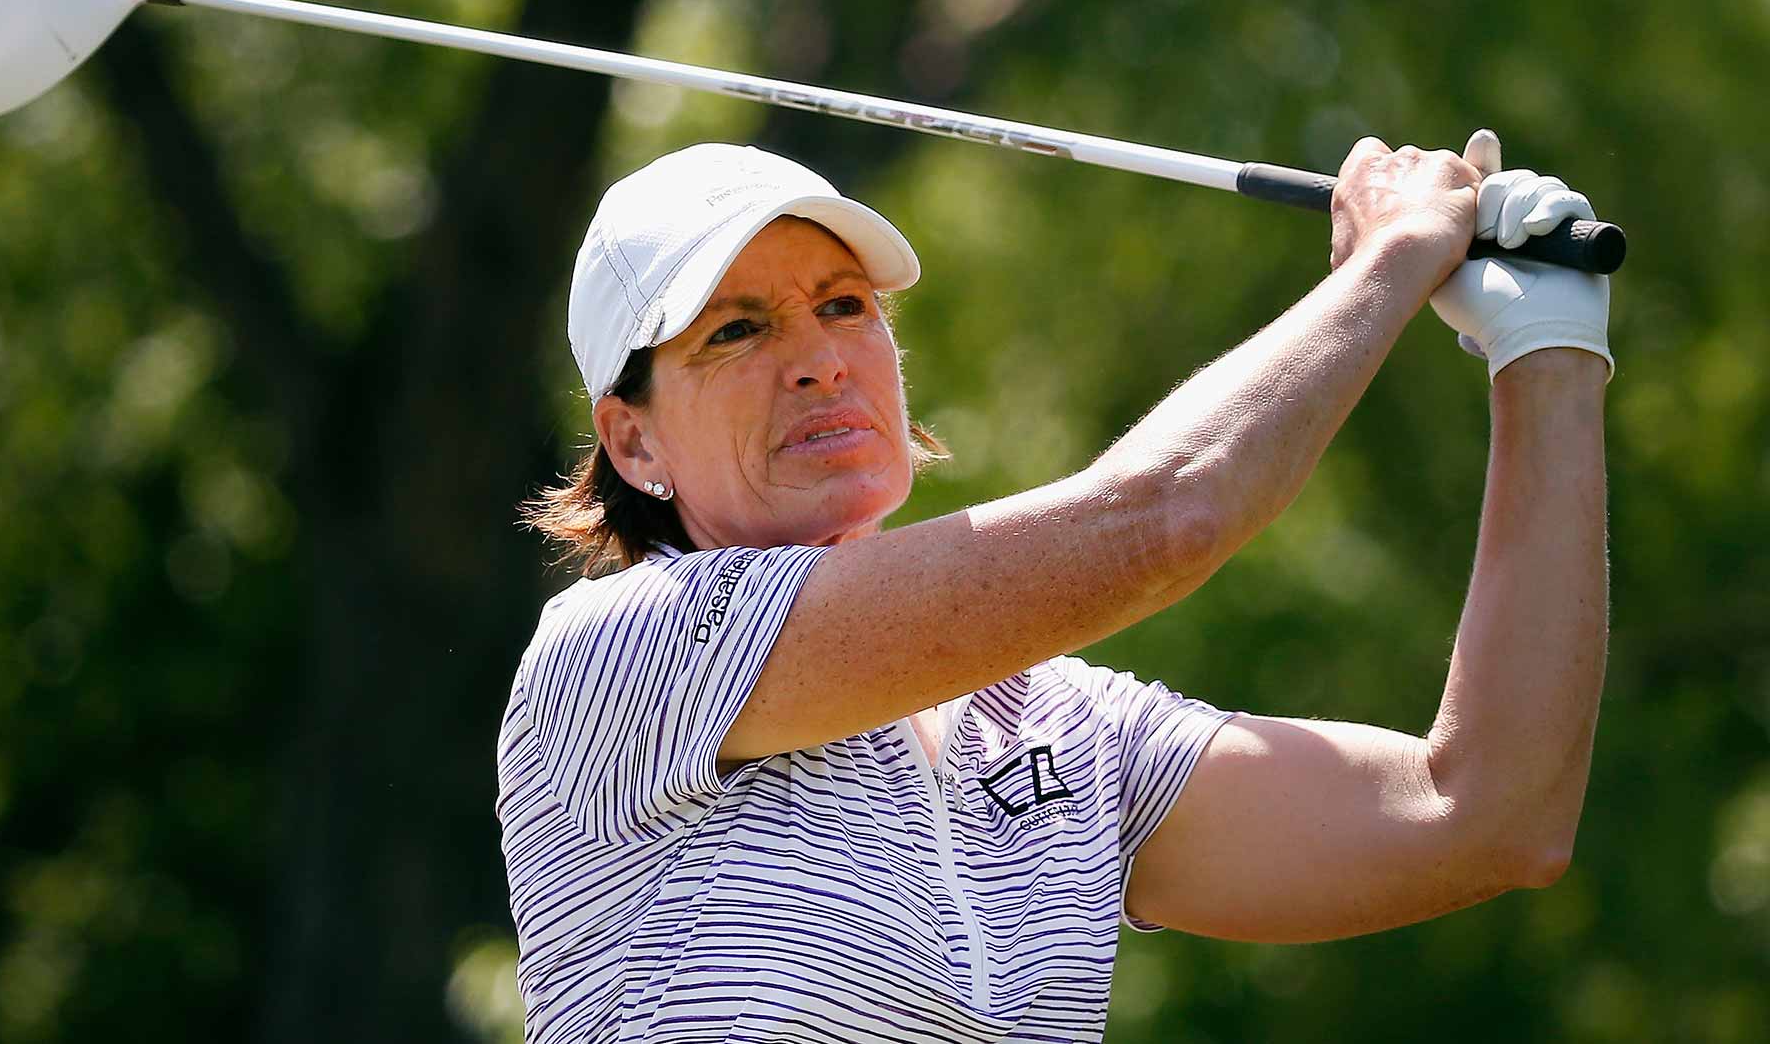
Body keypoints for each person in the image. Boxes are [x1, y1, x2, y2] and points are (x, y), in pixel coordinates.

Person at [497, 135, 1610, 1042]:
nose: (821, 359)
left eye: (844, 306)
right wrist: (1392, 258)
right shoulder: (623, 655)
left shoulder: (1056, 728)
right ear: (632, 441)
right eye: (737, 330)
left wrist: (1546, 351)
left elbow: (1482, 820)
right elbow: (1170, 514)